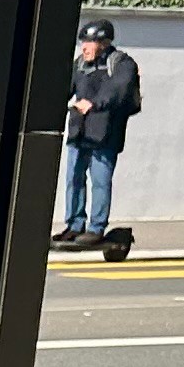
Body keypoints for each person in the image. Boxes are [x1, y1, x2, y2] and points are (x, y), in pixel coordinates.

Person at [57, 18, 142, 248]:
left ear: (103, 43)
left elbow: (118, 89)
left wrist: (94, 103)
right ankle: (74, 225)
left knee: (100, 181)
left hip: (105, 134)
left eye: (89, 42)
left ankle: (96, 228)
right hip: (79, 131)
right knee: (73, 178)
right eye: (82, 42)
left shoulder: (121, 63)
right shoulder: (80, 65)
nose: (84, 47)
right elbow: (65, 88)